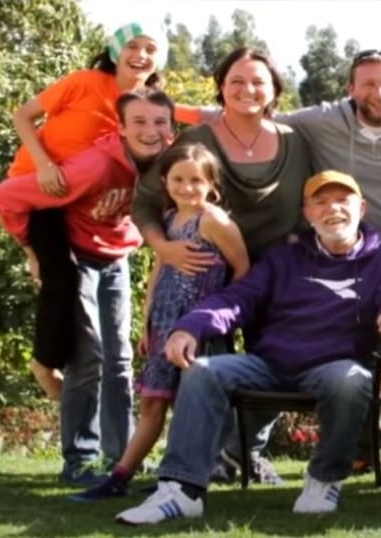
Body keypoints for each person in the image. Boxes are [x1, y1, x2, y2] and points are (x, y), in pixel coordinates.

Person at [177, 48, 381, 476]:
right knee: (351, 351)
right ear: (350, 88)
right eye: (367, 83)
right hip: (341, 254)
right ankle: (360, 449)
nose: (379, 92)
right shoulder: (322, 120)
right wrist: (166, 108)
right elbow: (250, 111)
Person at [114, 170, 381, 524]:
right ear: (307, 213)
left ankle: (324, 479)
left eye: (342, 200)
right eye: (320, 202)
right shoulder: (284, 257)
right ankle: (181, 490)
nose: (332, 209)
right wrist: (190, 327)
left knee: (352, 379)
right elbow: (239, 298)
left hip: (334, 366)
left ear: (362, 208)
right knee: (201, 371)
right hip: (269, 364)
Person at [131, 47, 312, 485]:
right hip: (206, 284)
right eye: (236, 81)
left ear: (273, 90)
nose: (247, 89)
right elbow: (146, 202)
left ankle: (243, 452)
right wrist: (165, 248)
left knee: (279, 364)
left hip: (280, 279)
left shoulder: (295, 140)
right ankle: (203, 459)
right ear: (221, 87)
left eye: (257, 81)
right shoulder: (197, 143)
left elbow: (313, 200)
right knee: (205, 371)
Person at [0, 88, 175, 485]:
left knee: (121, 358)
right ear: (122, 129)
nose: (150, 131)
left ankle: (124, 455)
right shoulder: (93, 166)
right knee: (87, 355)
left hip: (116, 259)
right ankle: (80, 457)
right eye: (139, 122)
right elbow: (6, 196)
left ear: (171, 128)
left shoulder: (166, 164)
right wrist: (34, 251)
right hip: (77, 255)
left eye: (160, 122)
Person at [71, 143, 250, 501]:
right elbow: (159, 269)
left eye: (196, 180)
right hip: (164, 324)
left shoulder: (215, 221)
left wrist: (218, 317)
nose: (187, 187)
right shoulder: (169, 220)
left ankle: (178, 478)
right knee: (153, 403)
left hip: (198, 329)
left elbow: (243, 271)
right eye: (179, 179)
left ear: (212, 185)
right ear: (166, 181)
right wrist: (148, 320)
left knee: (189, 406)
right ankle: (120, 476)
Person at [5, 20, 170, 401]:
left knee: (89, 316)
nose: (140, 55)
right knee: (60, 278)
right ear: (116, 51)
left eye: (150, 49)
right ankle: (44, 365)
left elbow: (138, 158)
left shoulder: (146, 106)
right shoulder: (84, 81)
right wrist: (44, 164)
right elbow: (22, 116)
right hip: (40, 189)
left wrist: (125, 197)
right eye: (133, 46)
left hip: (85, 201)